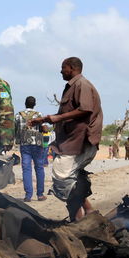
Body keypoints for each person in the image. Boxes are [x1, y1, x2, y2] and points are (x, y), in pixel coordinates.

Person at [31, 57, 103, 222]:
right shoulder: (73, 86)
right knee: (72, 178)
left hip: (80, 141)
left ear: (71, 68)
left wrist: (58, 118)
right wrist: (45, 120)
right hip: (70, 141)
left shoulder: (81, 85)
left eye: (63, 68)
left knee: (62, 177)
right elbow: (68, 114)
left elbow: (85, 109)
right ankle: (86, 212)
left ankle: (78, 217)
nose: (61, 71)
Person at [15, 96, 46, 202]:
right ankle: (40, 195)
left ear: (25, 103)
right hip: (37, 145)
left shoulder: (18, 115)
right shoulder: (39, 115)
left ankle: (28, 196)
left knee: (26, 169)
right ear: (34, 104)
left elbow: (15, 130)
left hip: (25, 145)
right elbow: (45, 128)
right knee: (39, 168)